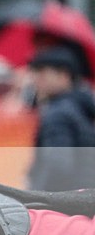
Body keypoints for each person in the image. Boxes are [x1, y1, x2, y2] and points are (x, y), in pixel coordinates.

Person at [26, 45, 95, 191]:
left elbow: (58, 165)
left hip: (65, 199)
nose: (36, 80)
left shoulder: (58, 114)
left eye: (42, 74)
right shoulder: (81, 108)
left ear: (64, 76)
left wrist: (39, 196)